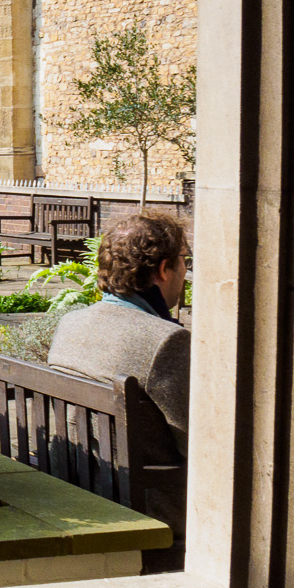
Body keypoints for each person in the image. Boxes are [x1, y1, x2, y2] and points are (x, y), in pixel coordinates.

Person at [48, 211, 189, 546]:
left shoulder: (72, 322)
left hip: (81, 486)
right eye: (184, 261)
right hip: (149, 504)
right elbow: (199, 445)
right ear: (164, 269)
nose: (187, 271)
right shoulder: (166, 340)